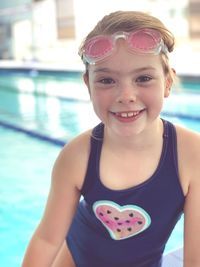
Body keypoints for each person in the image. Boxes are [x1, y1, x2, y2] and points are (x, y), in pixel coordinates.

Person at [22, 11, 200, 267]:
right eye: (106, 80)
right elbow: (47, 240)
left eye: (143, 78)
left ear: (168, 82)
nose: (126, 95)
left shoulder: (191, 155)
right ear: (88, 86)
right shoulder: (78, 154)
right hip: (74, 257)